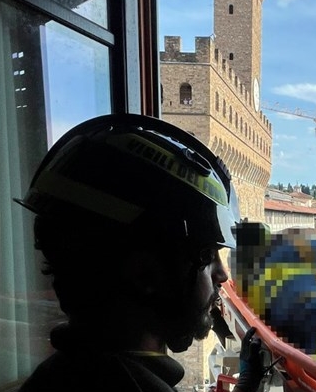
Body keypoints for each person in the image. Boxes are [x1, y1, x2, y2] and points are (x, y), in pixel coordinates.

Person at [15, 113, 264, 392]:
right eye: (207, 256)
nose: (222, 274)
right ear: (145, 274)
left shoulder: (65, 372)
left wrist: (245, 385)